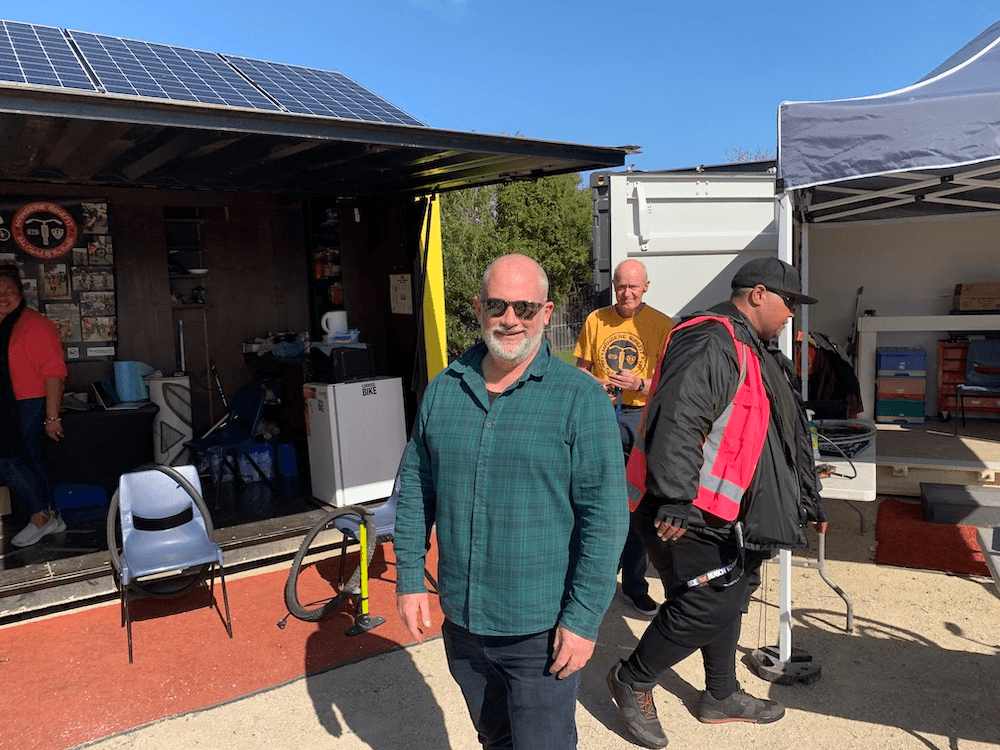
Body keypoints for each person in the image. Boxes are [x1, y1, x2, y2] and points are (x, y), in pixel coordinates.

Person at [395, 253, 629, 750]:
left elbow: (606, 520)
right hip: (463, 621)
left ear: (546, 313)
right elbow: (416, 489)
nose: (510, 319)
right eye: (498, 305)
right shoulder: (444, 390)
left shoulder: (578, 398)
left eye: (525, 308)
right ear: (479, 308)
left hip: (540, 628)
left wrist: (583, 621)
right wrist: (410, 578)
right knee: (494, 740)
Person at [606, 257, 828, 748]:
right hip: (682, 509)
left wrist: (802, 497)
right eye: (787, 301)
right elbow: (679, 419)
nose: (792, 312)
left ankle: (721, 696)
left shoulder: (750, 345)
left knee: (731, 595)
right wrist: (677, 500)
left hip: (726, 511)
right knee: (707, 601)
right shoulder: (711, 338)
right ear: (757, 295)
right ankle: (633, 678)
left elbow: (769, 431)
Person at [574, 259, 673, 616]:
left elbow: (672, 382)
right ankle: (593, 581)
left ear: (646, 286)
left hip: (644, 422)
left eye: (633, 286)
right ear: (613, 286)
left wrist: (640, 384)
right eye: (620, 286)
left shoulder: (662, 325)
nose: (626, 293)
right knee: (599, 504)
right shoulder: (595, 320)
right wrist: (597, 384)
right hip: (605, 419)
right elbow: (580, 372)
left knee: (639, 507)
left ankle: (633, 584)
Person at [0, 264, 68, 548]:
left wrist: (52, 417)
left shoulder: (34, 324)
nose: (3, 297)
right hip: (6, 403)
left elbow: (54, 373)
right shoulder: (3, 325)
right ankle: (54, 515)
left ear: (21, 293)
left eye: (10, 291)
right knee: (31, 459)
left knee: (11, 460)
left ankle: (41, 516)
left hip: (29, 403)